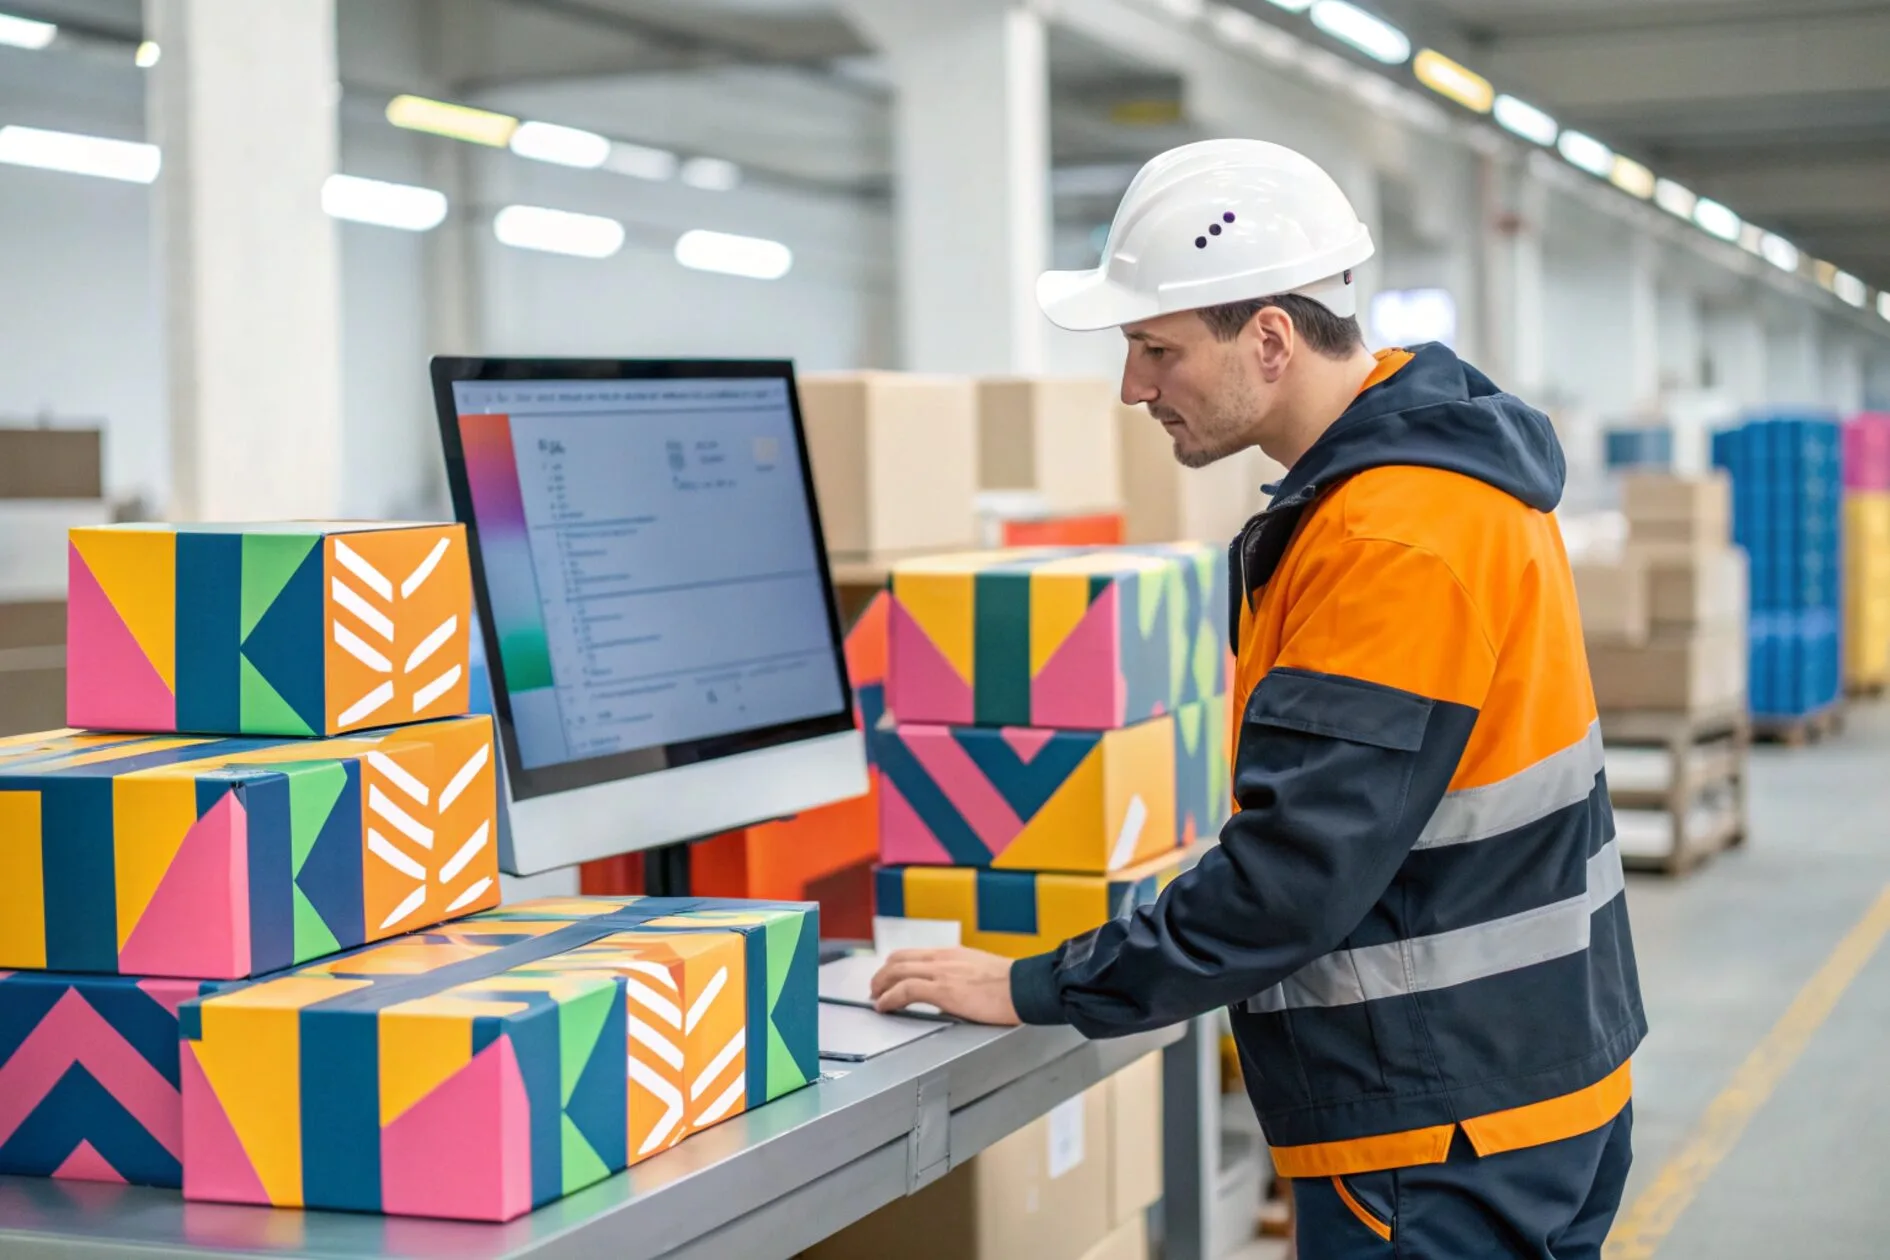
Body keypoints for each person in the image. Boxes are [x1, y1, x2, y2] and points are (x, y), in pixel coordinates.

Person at [870, 139, 1644, 1259]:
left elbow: (1292, 879)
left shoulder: (1392, 535)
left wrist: (1040, 983)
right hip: (1532, 1081)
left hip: (1442, 1131)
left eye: (1155, 349)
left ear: (1270, 339)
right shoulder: (1428, 490)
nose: (1135, 387)